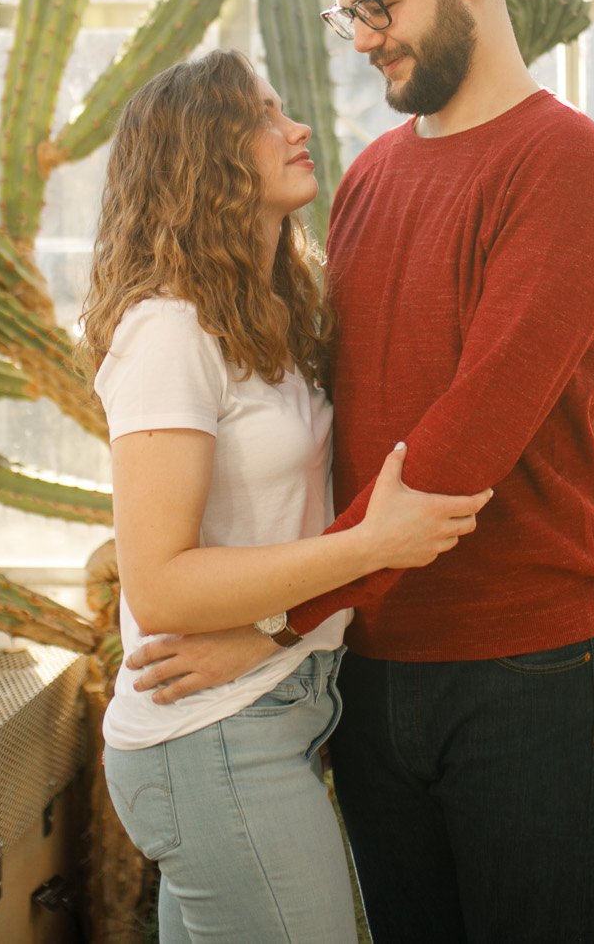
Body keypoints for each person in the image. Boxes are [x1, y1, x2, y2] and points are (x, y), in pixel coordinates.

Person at [125, 0, 594, 942]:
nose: (362, 38)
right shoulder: (367, 183)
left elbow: (462, 446)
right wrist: (309, 626)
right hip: (368, 667)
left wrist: (270, 624)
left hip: (519, 672)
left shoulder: (566, 164)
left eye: (380, 3)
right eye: (346, 12)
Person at [80, 48, 493, 944]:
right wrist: (370, 546)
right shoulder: (169, 331)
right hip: (212, 741)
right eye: (266, 117)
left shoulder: (267, 313)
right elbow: (160, 587)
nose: (298, 127)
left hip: (270, 710)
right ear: (206, 159)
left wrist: (278, 627)